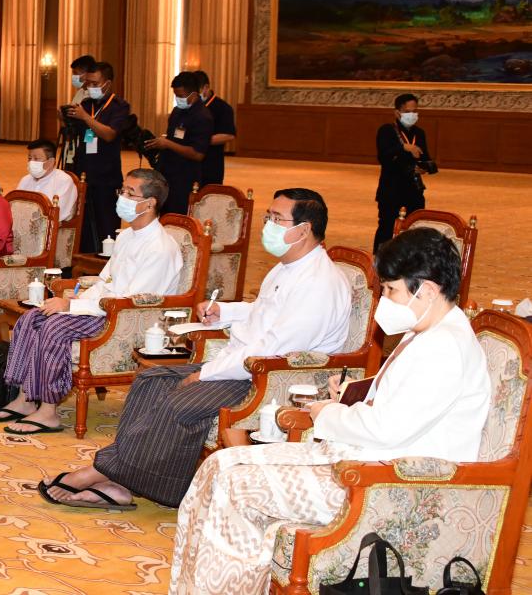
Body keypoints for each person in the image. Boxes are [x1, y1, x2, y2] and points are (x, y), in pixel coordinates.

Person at [169, 228, 489, 595]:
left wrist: (327, 414)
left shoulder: (444, 347)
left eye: (390, 290)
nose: (384, 300)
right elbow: (400, 401)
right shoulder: (427, 330)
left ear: (427, 290)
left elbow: (386, 428)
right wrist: (352, 395)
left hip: (387, 480)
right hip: (368, 458)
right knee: (220, 465)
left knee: (235, 485)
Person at [41, 188, 352, 511]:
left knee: (178, 403)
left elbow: (273, 348)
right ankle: (118, 482)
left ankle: (105, 474)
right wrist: (225, 311)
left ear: (303, 230)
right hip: (245, 365)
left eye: (276, 219)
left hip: (271, 378)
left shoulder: (318, 284)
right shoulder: (289, 266)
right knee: (151, 380)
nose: (267, 226)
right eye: (267, 217)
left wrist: (207, 373)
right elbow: (265, 311)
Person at [0, 169, 182, 435]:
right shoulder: (127, 236)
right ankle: (25, 399)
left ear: (149, 204)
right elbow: (105, 281)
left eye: (130, 193)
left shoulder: (159, 248)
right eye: (122, 190)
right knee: (32, 318)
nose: (122, 198)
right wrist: (76, 299)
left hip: (126, 319)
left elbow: (132, 302)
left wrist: (72, 307)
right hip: (104, 308)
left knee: (54, 328)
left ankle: (48, 411)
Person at [63, 61, 128, 253]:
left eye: (95, 83)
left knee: (105, 221)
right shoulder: (86, 104)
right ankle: (83, 255)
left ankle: (106, 257)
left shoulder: (119, 106)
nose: (90, 87)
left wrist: (86, 118)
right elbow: (77, 134)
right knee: (83, 222)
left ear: (107, 83)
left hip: (106, 174)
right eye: (88, 83)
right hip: (84, 170)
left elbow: (109, 134)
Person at [145, 71, 212, 215]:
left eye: (180, 96)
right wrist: (162, 142)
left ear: (193, 94)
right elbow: (174, 138)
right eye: (175, 95)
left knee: (178, 216)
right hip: (168, 173)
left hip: (185, 177)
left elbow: (198, 154)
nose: (177, 99)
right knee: (164, 214)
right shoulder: (177, 111)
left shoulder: (202, 117)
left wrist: (168, 144)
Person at [374, 92, 434, 251]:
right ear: (397, 113)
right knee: (387, 228)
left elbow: (427, 158)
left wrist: (424, 167)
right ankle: (380, 260)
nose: (412, 115)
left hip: (414, 189)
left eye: (415, 111)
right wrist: (404, 147)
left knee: (414, 229)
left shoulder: (419, 133)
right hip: (391, 189)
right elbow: (384, 157)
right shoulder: (387, 131)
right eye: (408, 112)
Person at [14, 138, 78, 223]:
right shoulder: (26, 179)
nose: (31, 162)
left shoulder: (63, 181)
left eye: (36, 159)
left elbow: (58, 214)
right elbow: (15, 205)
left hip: (50, 228)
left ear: (51, 162)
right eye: (29, 158)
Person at [193, 70, 235, 187]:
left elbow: (228, 135)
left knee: (209, 192)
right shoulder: (190, 106)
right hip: (189, 159)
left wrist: (201, 140)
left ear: (206, 88)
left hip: (211, 161)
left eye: (196, 91)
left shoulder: (223, 108)